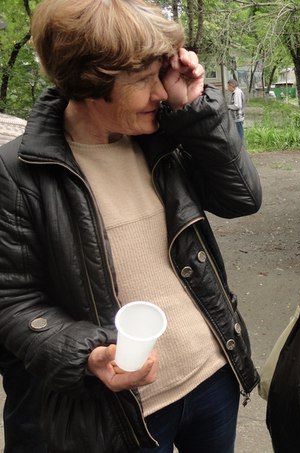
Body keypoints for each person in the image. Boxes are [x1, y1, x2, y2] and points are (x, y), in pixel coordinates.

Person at [0, 1, 262, 452]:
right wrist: (86, 353)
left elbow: (241, 199)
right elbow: (12, 302)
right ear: (89, 79)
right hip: (117, 414)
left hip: (212, 376)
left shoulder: (165, 137)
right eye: (143, 80)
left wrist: (195, 108)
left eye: (161, 74)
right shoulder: (17, 172)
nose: (160, 92)